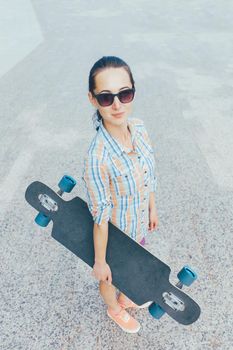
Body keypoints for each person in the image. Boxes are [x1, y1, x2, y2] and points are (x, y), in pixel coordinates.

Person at [82, 56, 159, 333]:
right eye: (106, 97)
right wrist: (100, 261)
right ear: (92, 99)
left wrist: (152, 207)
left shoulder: (138, 128)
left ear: (132, 92)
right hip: (114, 236)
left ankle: (127, 296)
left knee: (136, 260)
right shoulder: (97, 157)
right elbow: (100, 216)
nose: (117, 105)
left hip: (136, 222)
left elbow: (148, 172)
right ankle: (114, 307)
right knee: (109, 278)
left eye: (125, 94)